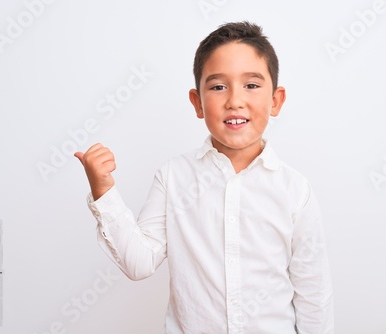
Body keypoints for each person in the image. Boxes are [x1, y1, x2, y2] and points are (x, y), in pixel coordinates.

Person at [75, 21, 333, 333]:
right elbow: (139, 263)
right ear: (197, 102)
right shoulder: (174, 177)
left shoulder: (295, 190)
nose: (234, 100)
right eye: (218, 86)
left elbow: (313, 293)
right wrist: (103, 190)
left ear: (275, 100)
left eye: (251, 85)